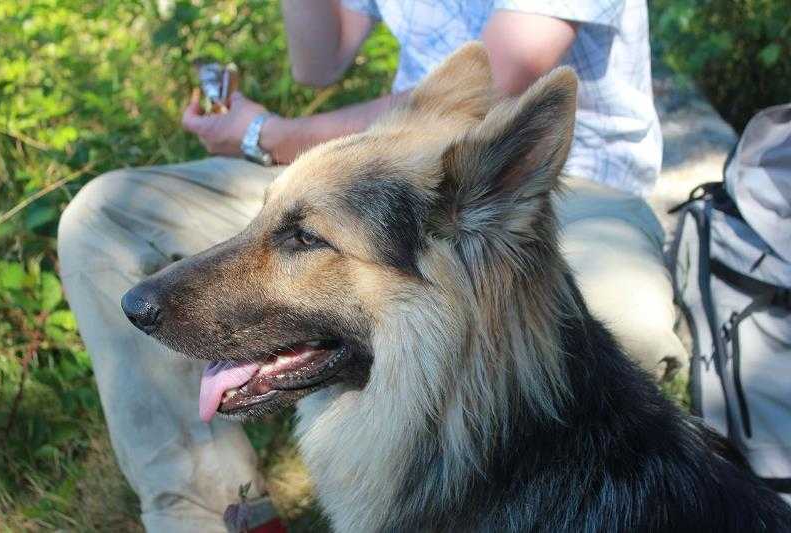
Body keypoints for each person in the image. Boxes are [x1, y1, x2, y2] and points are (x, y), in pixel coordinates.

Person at [57, 1, 688, 531]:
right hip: (376, 166)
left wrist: (269, 135)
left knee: (613, 323)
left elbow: (507, 74)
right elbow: (316, 64)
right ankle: (215, 515)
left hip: (556, 186)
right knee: (105, 217)